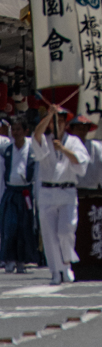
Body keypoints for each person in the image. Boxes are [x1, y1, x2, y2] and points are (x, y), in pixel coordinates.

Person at [32, 103, 90, 285]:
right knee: (49, 236)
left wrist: (63, 149)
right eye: (55, 121)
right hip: (47, 192)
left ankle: (66, 264)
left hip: (67, 192)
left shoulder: (74, 142)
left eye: (61, 121)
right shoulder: (45, 139)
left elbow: (80, 163)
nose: (58, 124)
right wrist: (49, 116)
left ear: (66, 123)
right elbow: (36, 135)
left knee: (65, 231)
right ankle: (56, 272)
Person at [0, 117, 39, 273]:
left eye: (18, 129)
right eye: (13, 130)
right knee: (9, 227)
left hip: (25, 193)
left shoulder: (32, 147)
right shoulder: (7, 147)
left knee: (24, 228)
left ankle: (22, 260)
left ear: (25, 131)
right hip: (11, 192)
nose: (15, 133)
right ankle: (8, 259)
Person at [69, 115, 102, 189]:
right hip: (71, 187)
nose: (81, 131)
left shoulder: (95, 146)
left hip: (91, 187)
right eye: (78, 128)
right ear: (72, 129)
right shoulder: (67, 145)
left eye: (84, 128)